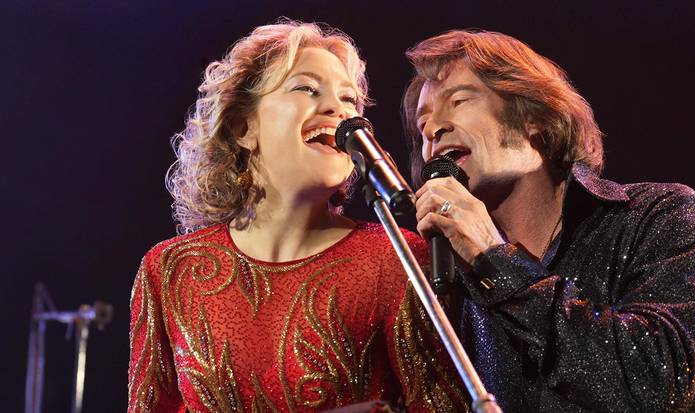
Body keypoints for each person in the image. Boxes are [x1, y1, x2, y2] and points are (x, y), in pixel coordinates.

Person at [404, 29, 695, 412]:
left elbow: (653, 383)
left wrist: (496, 260)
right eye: (423, 126)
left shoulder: (661, 216)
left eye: (460, 101)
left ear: (533, 117)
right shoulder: (462, 288)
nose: (434, 130)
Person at [127, 21, 468, 413]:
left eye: (349, 100)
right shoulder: (170, 270)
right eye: (306, 88)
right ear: (243, 127)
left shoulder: (399, 259)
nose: (338, 110)